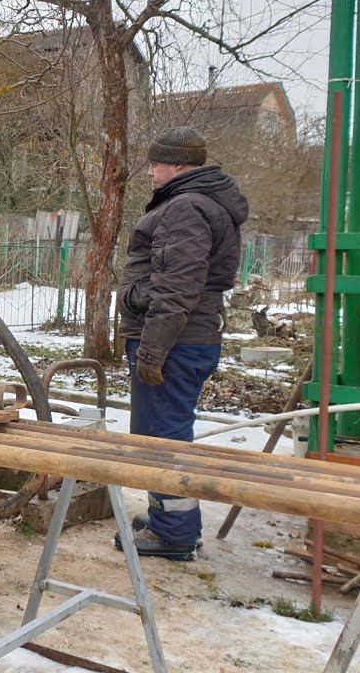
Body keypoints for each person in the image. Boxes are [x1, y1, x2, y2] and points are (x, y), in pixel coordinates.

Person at [116, 126, 248, 561]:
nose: (150, 171)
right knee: (163, 431)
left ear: (177, 166)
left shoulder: (187, 207)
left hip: (174, 340)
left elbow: (177, 288)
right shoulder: (199, 202)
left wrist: (152, 351)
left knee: (165, 437)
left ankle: (174, 534)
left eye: (156, 163)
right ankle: (168, 516)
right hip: (185, 337)